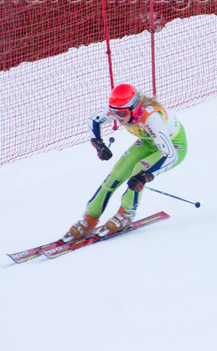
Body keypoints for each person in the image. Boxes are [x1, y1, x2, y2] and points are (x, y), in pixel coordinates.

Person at [63, 84, 187, 241]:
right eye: (114, 113)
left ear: (134, 108)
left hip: (174, 146)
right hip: (148, 142)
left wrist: (145, 177)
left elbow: (170, 154)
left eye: (121, 113)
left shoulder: (151, 117)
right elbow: (93, 120)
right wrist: (98, 144)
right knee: (117, 173)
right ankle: (90, 218)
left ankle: (126, 213)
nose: (118, 117)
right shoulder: (120, 108)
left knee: (139, 170)